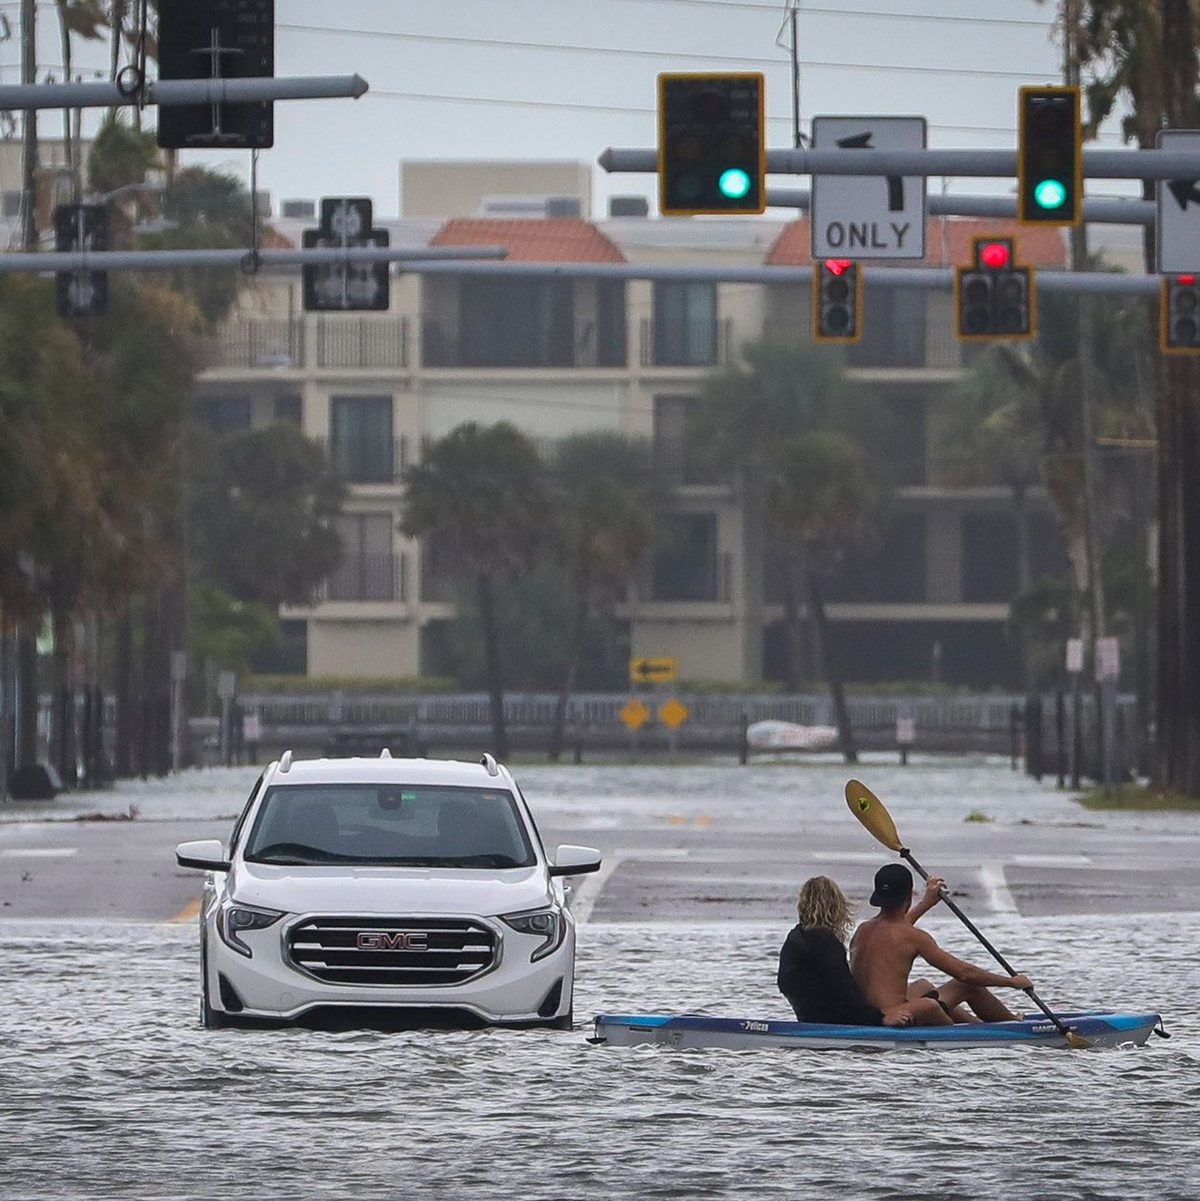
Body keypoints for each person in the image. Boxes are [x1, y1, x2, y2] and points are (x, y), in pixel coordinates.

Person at [849, 863, 1032, 1026]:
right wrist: (1011, 982)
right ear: (909, 896)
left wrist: (926, 903)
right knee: (966, 986)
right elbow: (965, 974)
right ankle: (1009, 1024)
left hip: (869, 1014)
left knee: (923, 986)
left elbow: (897, 932)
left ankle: (978, 1025)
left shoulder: (863, 930)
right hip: (895, 1017)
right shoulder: (913, 937)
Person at [777, 876, 944, 1027]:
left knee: (924, 987)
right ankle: (959, 1039)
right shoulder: (826, 943)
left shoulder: (794, 938)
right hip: (841, 1022)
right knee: (931, 1005)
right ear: (836, 906)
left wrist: (925, 904)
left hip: (812, 1019)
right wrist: (880, 1019)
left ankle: (967, 1027)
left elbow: (895, 929)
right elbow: (845, 995)